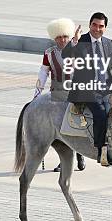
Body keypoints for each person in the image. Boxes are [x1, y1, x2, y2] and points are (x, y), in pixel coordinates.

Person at [62, 12, 112, 166]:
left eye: (101, 26)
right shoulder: (81, 40)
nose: (97, 29)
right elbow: (66, 55)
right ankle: (102, 150)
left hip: (106, 88)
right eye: (94, 25)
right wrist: (74, 41)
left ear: (105, 28)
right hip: (85, 89)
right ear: (89, 25)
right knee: (100, 114)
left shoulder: (108, 43)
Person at [34, 18, 86, 173]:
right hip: (56, 94)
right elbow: (43, 73)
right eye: (58, 37)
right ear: (54, 38)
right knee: (57, 129)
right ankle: (64, 159)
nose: (62, 40)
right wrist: (36, 95)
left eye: (65, 36)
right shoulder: (49, 54)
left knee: (75, 124)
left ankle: (79, 154)